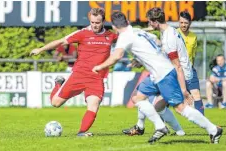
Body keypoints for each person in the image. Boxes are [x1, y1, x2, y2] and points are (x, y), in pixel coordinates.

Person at [92, 11, 222, 144]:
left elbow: (117, 55)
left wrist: (100, 67)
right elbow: (156, 42)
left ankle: (213, 129)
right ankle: (158, 127)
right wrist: (143, 57)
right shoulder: (138, 31)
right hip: (158, 73)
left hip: (164, 74)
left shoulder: (125, 36)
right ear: (127, 22)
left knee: (180, 107)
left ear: (114, 26)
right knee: (138, 97)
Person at [30, 8, 118, 137]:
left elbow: (129, 36)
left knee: (93, 105)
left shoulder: (110, 36)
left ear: (103, 21)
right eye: (92, 22)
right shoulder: (82, 33)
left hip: (96, 78)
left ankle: (81, 133)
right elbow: (60, 41)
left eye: (97, 23)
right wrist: (41, 49)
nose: (94, 25)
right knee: (55, 103)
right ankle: (58, 84)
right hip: (79, 75)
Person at [177, 11, 205, 115]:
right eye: (181, 22)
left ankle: (204, 123)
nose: (183, 25)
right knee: (166, 98)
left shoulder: (194, 37)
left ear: (190, 23)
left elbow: (193, 54)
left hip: (189, 69)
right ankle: (161, 126)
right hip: (176, 70)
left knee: (196, 94)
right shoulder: (174, 34)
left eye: (186, 23)